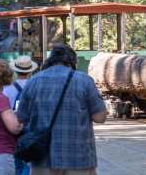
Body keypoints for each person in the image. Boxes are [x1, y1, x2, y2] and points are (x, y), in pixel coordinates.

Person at [16, 44, 108, 175]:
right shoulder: (84, 80)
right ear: (73, 62)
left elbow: (20, 119)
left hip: (42, 160)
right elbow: (100, 117)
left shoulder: (33, 81)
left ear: (50, 60)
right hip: (79, 160)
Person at [3, 56, 38, 175]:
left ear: (16, 71)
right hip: (32, 129)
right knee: (30, 163)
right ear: (30, 71)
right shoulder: (36, 86)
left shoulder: (7, 89)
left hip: (13, 128)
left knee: (16, 162)